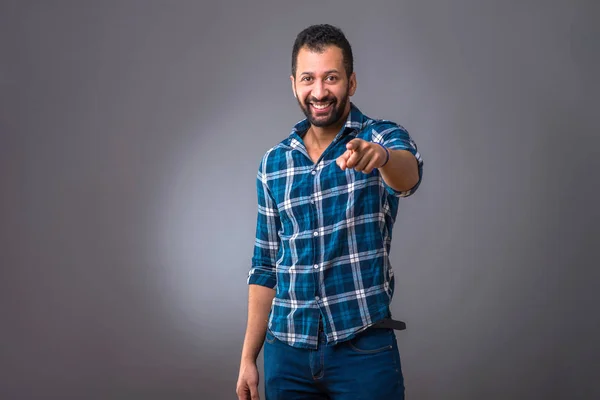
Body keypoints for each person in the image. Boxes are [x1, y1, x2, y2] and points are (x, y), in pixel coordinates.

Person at [236, 24, 423, 400]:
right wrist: (248, 359)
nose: (319, 92)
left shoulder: (381, 137)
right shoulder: (274, 163)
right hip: (285, 356)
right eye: (308, 78)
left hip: (363, 350)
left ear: (351, 82)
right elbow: (265, 265)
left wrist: (381, 158)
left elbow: (408, 177)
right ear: (293, 84)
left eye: (331, 78)